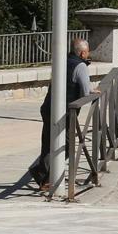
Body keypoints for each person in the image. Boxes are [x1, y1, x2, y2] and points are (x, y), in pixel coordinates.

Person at [32, 39, 94, 190]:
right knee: (68, 145)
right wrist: (93, 92)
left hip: (48, 107)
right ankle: (43, 175)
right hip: (65, 112)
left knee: (47, 143)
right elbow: (86, 92)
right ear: (82, 52)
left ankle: (43, 178)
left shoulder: (62, 61)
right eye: (87, 52)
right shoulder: (81, 66)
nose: (88, 55)